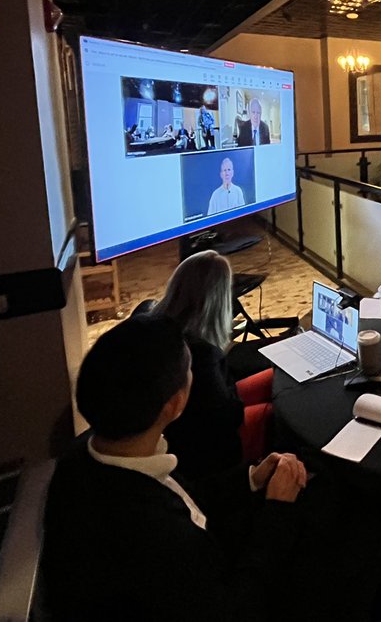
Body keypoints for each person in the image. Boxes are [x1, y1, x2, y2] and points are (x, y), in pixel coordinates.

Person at [42, 315, 307, 621]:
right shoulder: (158, 539)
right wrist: (278, 510)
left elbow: (185, 497)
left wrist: (250, 479)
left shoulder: (83, 454)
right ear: (175, 404)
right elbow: (235, 608)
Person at [153, 251, 275, 479]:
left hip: (198, 415)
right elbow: (228, 418)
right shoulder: (201, 355)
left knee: (274, 376)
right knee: (274, 412)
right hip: (205, 441)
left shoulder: (156, 321)